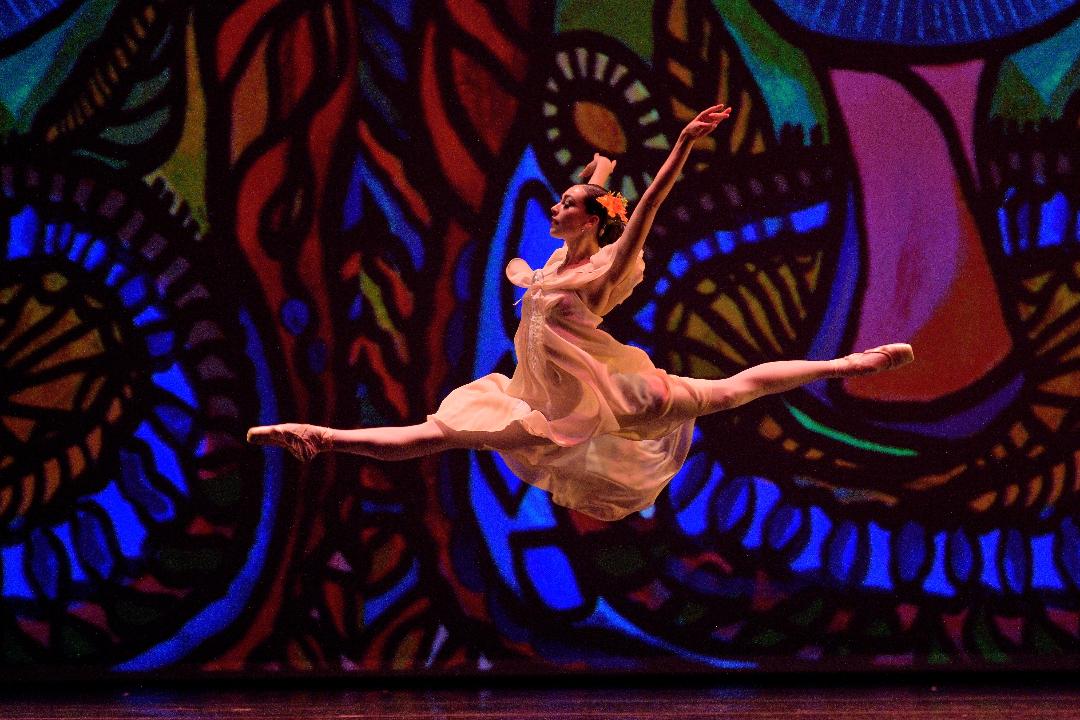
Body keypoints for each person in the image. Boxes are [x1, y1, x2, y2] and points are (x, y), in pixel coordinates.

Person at [247, 104, 913, 521]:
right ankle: (318, 436)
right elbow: (601, 208)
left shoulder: (605, 270)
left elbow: (643, 209)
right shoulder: (559, 261)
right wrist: (598, 177)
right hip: (537, 400)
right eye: (561, 201)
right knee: (437, 432)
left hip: (612, 396)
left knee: (733, 389)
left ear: (590, 222)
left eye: (568, 204)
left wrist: (682, 145)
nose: (555, 207)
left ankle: (847, 365)